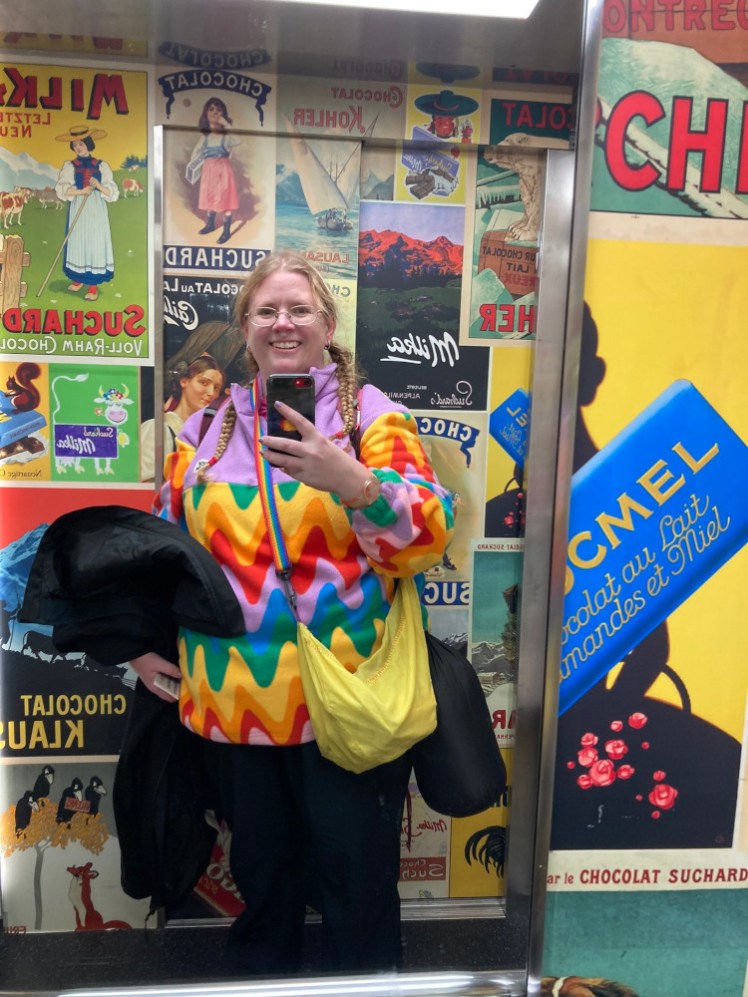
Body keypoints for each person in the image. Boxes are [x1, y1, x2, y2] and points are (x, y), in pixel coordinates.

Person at [130, 250, 454, 974]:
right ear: (244, 327)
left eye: (299, 309)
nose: (283, 323)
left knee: (357, 882)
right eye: (267, 310)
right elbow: (164, 549)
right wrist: (142, 643)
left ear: (327, 324)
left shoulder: (374, 416)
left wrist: (356, 483)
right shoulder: (206, 428)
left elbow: (429, 537)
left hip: (347, 698)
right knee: (263, 877)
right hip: (237, 701)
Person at [54, 125, 120, 302]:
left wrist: (98, 186)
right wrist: (80, 192)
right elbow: (61, 189)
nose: (77, 147)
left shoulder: (101, 165)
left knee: (94, 243)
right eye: (74, 144)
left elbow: (113, 192)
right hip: (78, 206)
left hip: (96, 209)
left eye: (80, 144)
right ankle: (77, 279)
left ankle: (92, 285)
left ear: (89, 144)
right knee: (77, 241)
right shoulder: (70, 166)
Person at [139, 354, 225, 481]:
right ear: (184, 381)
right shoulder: (157, 428)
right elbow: (147, 485)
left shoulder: (212, 436)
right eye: (204, 382)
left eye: (217, 388)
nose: (211, 393)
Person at [187, 97, 240, 245]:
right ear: (206, 114)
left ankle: (226, 231)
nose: (215, 112)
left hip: (223, 170)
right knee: (210, 198)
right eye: (211, 109)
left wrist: (226, 125)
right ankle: (210, 224)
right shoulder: (205, 137)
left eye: (218, 109)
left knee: (224, 199)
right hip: (209, 171)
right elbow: (196, 152)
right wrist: (195, 164)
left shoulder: (226, 137)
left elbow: (238, 141)